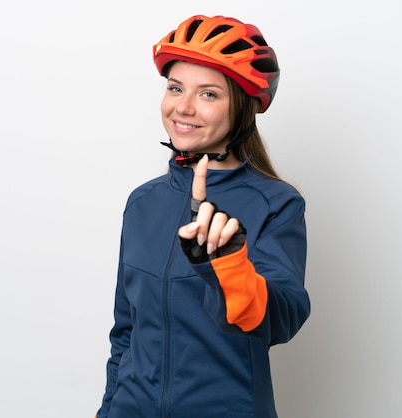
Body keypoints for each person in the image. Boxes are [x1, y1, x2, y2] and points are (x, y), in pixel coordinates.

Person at [96, 14, 310, 418]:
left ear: (242, 107)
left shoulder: (277, 204)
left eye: (208, 94)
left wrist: (229, 264)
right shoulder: (142, 202)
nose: (183, 107)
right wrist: (108, 410)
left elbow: (284, 319)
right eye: (175, 88)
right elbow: (125, 332)